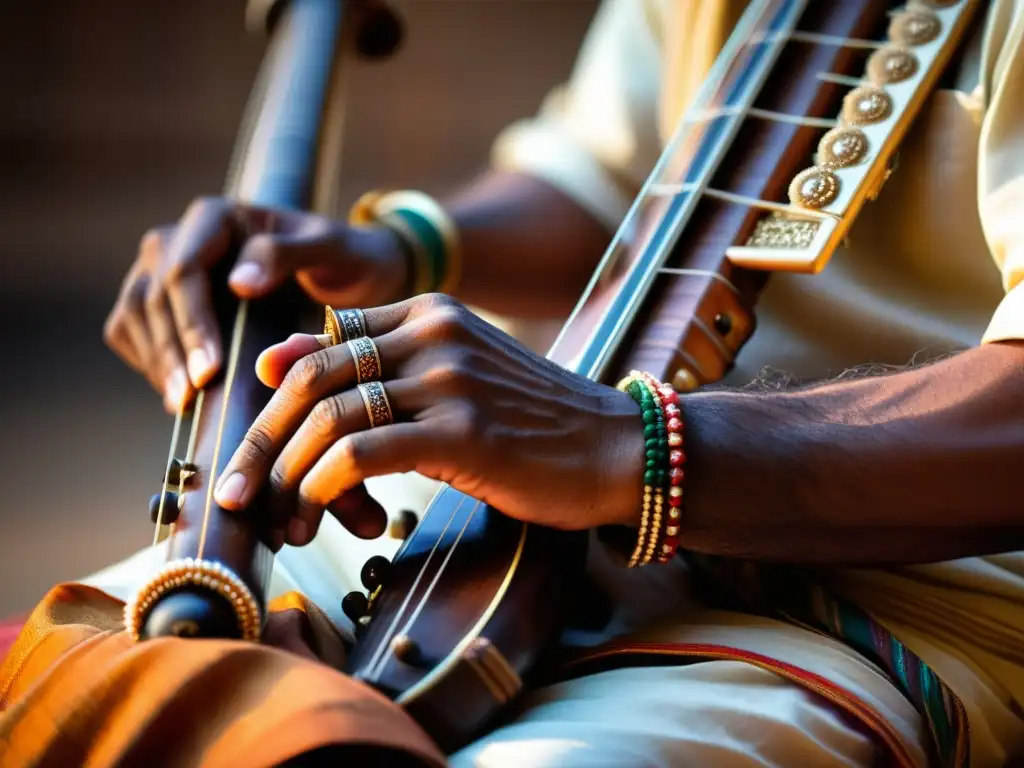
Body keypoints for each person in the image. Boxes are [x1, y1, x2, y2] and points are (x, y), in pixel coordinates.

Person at [4, 0, 1024, 766]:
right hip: (509, 511)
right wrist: (392, 250)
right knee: (75, 690)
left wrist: (625, 446)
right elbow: (615, 182)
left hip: (882, 612)